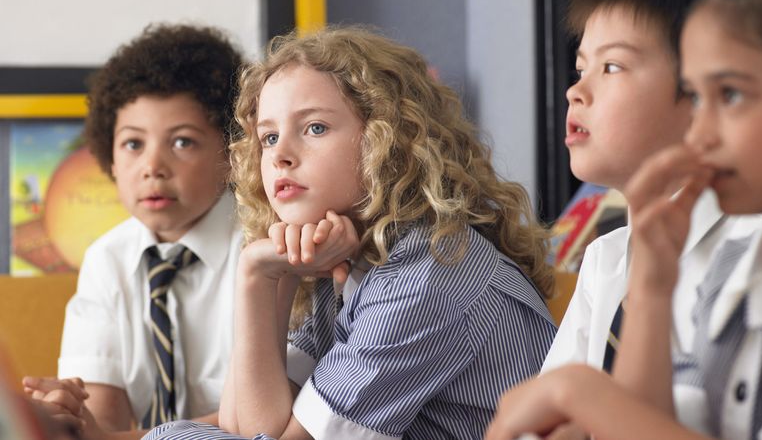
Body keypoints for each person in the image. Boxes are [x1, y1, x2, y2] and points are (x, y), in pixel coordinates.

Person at [145, 25, 557, 440]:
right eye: (269, 137)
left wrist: (258, 273)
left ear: (389, 141)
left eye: (315, 128)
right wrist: (264, 273)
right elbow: (248, 426)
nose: (280, 156)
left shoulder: (432, 269)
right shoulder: (347, 259)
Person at [486, 0, 762, 438]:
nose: (575, 90)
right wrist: (651, 291)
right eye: (697, 92)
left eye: (728, 94)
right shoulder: (617, 256)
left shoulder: (744, 249)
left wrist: (581, 396)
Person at [22, 23, 245, 440]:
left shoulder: (268, 247)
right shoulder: (107, 259)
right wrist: (71, 416)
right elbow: (102, 420)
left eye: (182, 142)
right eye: (132, 144)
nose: (152, 167)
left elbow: (264, 417)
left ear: (233, 154)